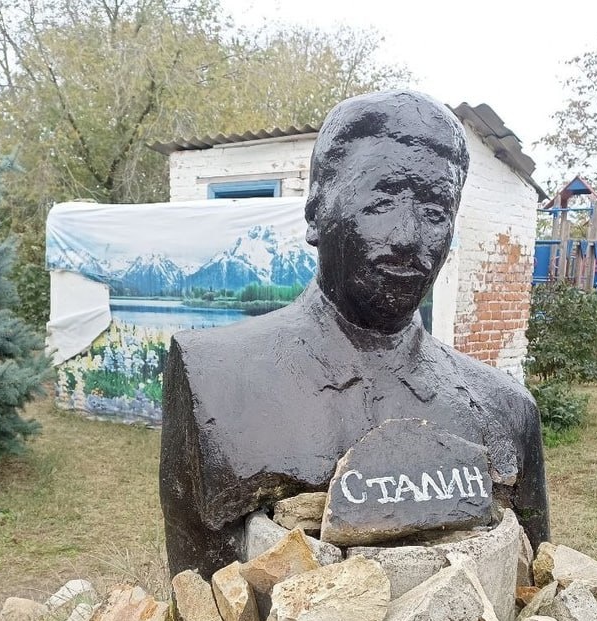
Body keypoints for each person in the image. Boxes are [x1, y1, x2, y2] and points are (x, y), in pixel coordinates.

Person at [160, 89, 549, 578]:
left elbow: (531, 585)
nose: (409, 237)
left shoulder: (506, 409)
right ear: (316, 212)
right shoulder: (214, 380)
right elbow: (203, 602)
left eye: (434, 211)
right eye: (381, 201)